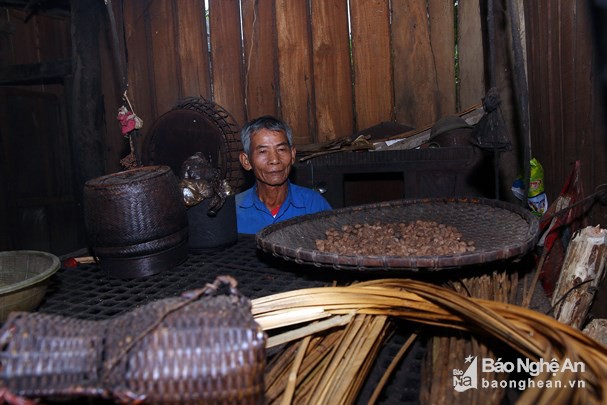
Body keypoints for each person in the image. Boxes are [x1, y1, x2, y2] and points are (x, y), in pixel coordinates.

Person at [236, 116, 332, 234]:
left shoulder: (313, 204)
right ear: (246, 161)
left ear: (292, 155)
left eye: (281, 149)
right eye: (263, 151)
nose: (275, 159)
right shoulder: (234, 210)